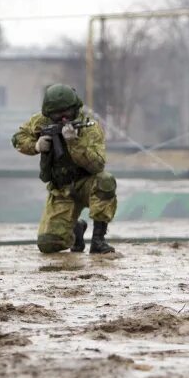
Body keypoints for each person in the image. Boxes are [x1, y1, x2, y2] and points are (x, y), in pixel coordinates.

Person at [12, 84, 116, 254]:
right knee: (48, 244)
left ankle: (98, 240)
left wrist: (74, 142)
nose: (63, 119)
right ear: (48, 113)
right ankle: (76, 230)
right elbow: (17, 138)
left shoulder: (89, 127)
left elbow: (98, 164)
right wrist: (35, 146)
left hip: (86, 183)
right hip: (60, 190)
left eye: (66, 113)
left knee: (106, 180)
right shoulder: (40, 122)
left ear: (74, 109)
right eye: (57, 114)